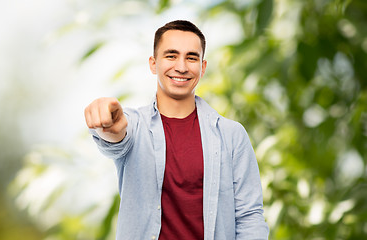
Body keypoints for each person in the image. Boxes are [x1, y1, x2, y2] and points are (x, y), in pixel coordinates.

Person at [84, 20, 269, 240]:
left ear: (203, 67)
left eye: (191, 57)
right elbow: (116, 139)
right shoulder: (134, 125)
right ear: (153, 63)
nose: (181, 66)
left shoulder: (231, 135)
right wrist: (106, 127)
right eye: (171, 56)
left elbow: (250, 216)